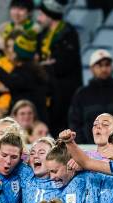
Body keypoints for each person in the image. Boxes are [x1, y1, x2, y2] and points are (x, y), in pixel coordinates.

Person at [36, 0, 82, 134]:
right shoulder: (42, 34)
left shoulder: (68, 32)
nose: (39, 18)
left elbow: (63, 64)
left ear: (50, 15)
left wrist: (44, 66)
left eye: (42, 14)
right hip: (49, 92)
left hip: (65, 94)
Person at [0, 32, 48, 124]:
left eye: (13, 48)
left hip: (32, 120)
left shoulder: (28, 71)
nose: (10, 51)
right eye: (8, 47)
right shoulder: (29, 68)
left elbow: (11, 82)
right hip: (21, 116)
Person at [68, 49, 113, 144]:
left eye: (107, 64)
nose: (104, 69)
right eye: (99, 65)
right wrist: (83, 145)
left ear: (112, 67)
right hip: (89, 148)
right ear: (92, 68)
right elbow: (75, 122)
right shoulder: (82, 93)